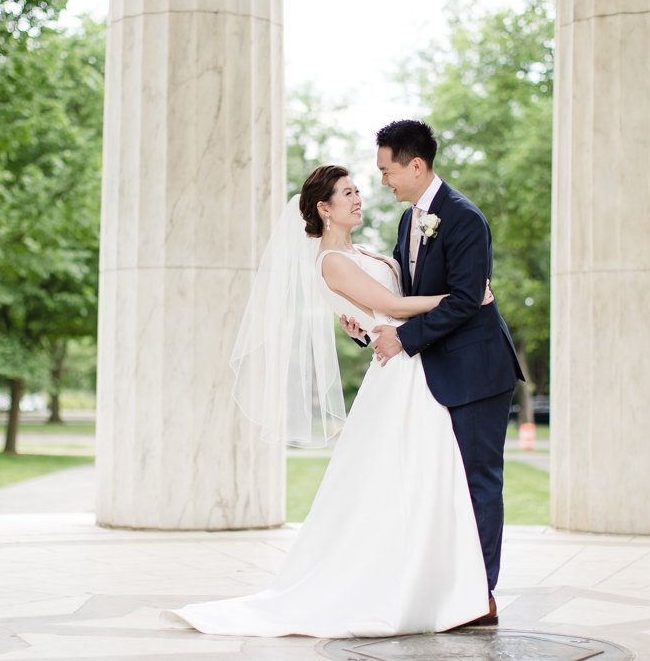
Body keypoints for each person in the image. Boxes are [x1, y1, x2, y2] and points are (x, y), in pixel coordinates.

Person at [164, 164, 497, 637]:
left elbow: (382, 307)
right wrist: (467, 297)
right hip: (401, 370)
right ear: (324, 208)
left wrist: (363, 322)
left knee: (425, 479)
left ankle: (440, 581)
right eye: (348, 193)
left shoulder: (357, 252)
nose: (360, 198)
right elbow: (398, 306)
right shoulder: (331, 261)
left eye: (360, 189)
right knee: (405, 479)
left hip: (414, 360)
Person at [344, 120, 523, 626]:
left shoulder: (465, 219)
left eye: (386, 170)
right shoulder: (409, 222)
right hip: (437, 372)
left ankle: (482, 596)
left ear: (415, 164)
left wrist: (405, 338)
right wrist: (371, 329)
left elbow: (467, 299)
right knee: (442, 485)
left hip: (478, 370)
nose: (382, 181)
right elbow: (404, 298)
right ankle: (448, 587)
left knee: (478, 483)